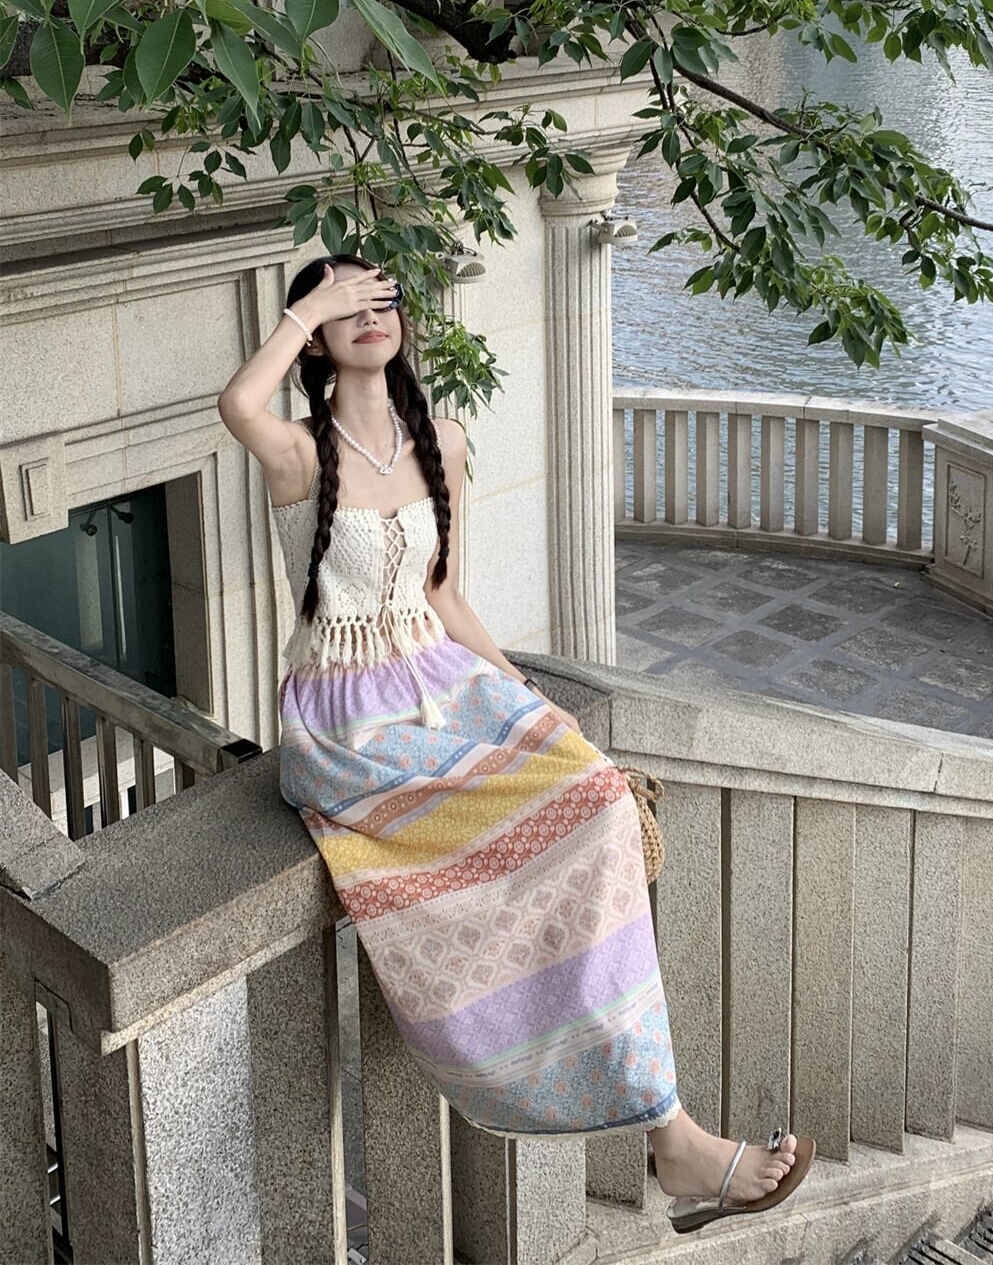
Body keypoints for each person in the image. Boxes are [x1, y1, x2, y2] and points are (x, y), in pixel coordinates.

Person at [217, 253, 814, 1233]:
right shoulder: (298, 452)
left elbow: (445, 597)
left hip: (443, 680)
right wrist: (306, 306)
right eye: (344, 304)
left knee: (600, 800)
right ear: (316, 338)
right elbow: (236, 401)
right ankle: (670, 1136)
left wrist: (526, 695)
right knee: (524, 832)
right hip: (348, 719)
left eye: (381, 297)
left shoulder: (441, 441)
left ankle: (667, 1127)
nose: (369, 312)